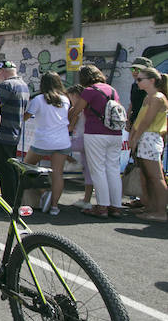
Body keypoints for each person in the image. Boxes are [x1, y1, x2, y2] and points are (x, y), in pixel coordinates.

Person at [68, 65, 124, 218]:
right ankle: (116, 206)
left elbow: (76, 110)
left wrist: (68, 117)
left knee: (97, 169)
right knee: (113, 169)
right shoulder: (112, 90)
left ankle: (102, 206)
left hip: (96, 133)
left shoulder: (90, 91)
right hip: (115, 133)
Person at [22, 72, 71, 215]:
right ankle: (55, 207)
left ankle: (43, 192)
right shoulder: (65, 99)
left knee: (26, 168)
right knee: (58, 173)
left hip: (43, 141)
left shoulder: (38, 100)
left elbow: (25, 117)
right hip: (62, 141)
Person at [127, 66, 168, 222]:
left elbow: (146, 121)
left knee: (156, 177)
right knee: (148, 176)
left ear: (151, 80)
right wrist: (134, 136)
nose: (137, 81)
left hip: (150, 137)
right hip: (145, 137)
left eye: (140, 79)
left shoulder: (157, 98)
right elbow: (139, 121)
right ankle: (151, 207)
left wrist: (135, 138)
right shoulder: (149, 97)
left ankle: (160, 212)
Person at [0, 60, 29, 208]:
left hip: (2, 133)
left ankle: (8, 203)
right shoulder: (23, 86)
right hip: (14, 133)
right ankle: (13, 201)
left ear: (2, 72)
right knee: (11, 169)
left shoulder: (6, 86)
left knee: (4, 170)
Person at [66, 84, 95, 209]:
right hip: (89, 139)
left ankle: (72, 161)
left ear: (75, 96)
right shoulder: (88, 109)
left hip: (78, 140)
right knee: (88, 172)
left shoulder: (77, 110)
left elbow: (71, 127)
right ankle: (87, 199)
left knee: (55, 148)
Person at [127, 57, 153, 130]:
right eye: (133, 69)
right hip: (134, 122)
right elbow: (132, 104)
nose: (135, 72)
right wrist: (128, 120)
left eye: (138, 69)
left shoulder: (152, 87)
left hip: (148, 125)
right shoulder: (134, 86)